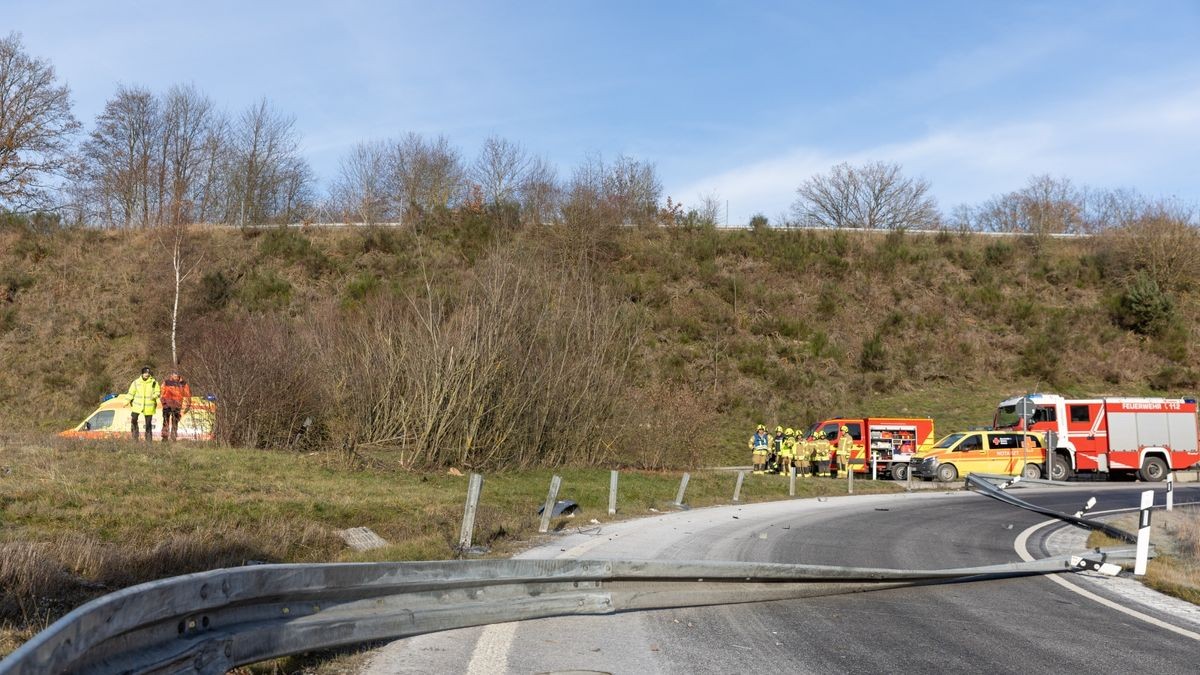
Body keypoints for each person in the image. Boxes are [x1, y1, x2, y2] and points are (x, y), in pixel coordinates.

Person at [126, 366, 160, 441]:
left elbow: (157, 392)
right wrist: (126, 401)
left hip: (149, 406)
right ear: (142, 373)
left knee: (148, 424)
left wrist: (154, 396)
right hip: (137, 406)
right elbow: (131, 393)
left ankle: (148, 441)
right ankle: (135, 436)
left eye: (148, 373)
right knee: (134, 419)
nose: (146, 374)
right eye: (145, 373)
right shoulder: (136, 382)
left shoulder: (154, 382)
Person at [160, 370, 192, 441]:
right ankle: (165, 437)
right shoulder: (166, 382)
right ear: (172, 375)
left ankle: (173, 437)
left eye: (177, 375)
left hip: (177, 405)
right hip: (167, 404)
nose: (175, 376)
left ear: (179, 376)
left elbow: (188, 395)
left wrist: (188, 404)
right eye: (174, 375)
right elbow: (162, 393)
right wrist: (163, 402)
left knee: (175, 421)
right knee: (165, 421)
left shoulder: (183, 383)